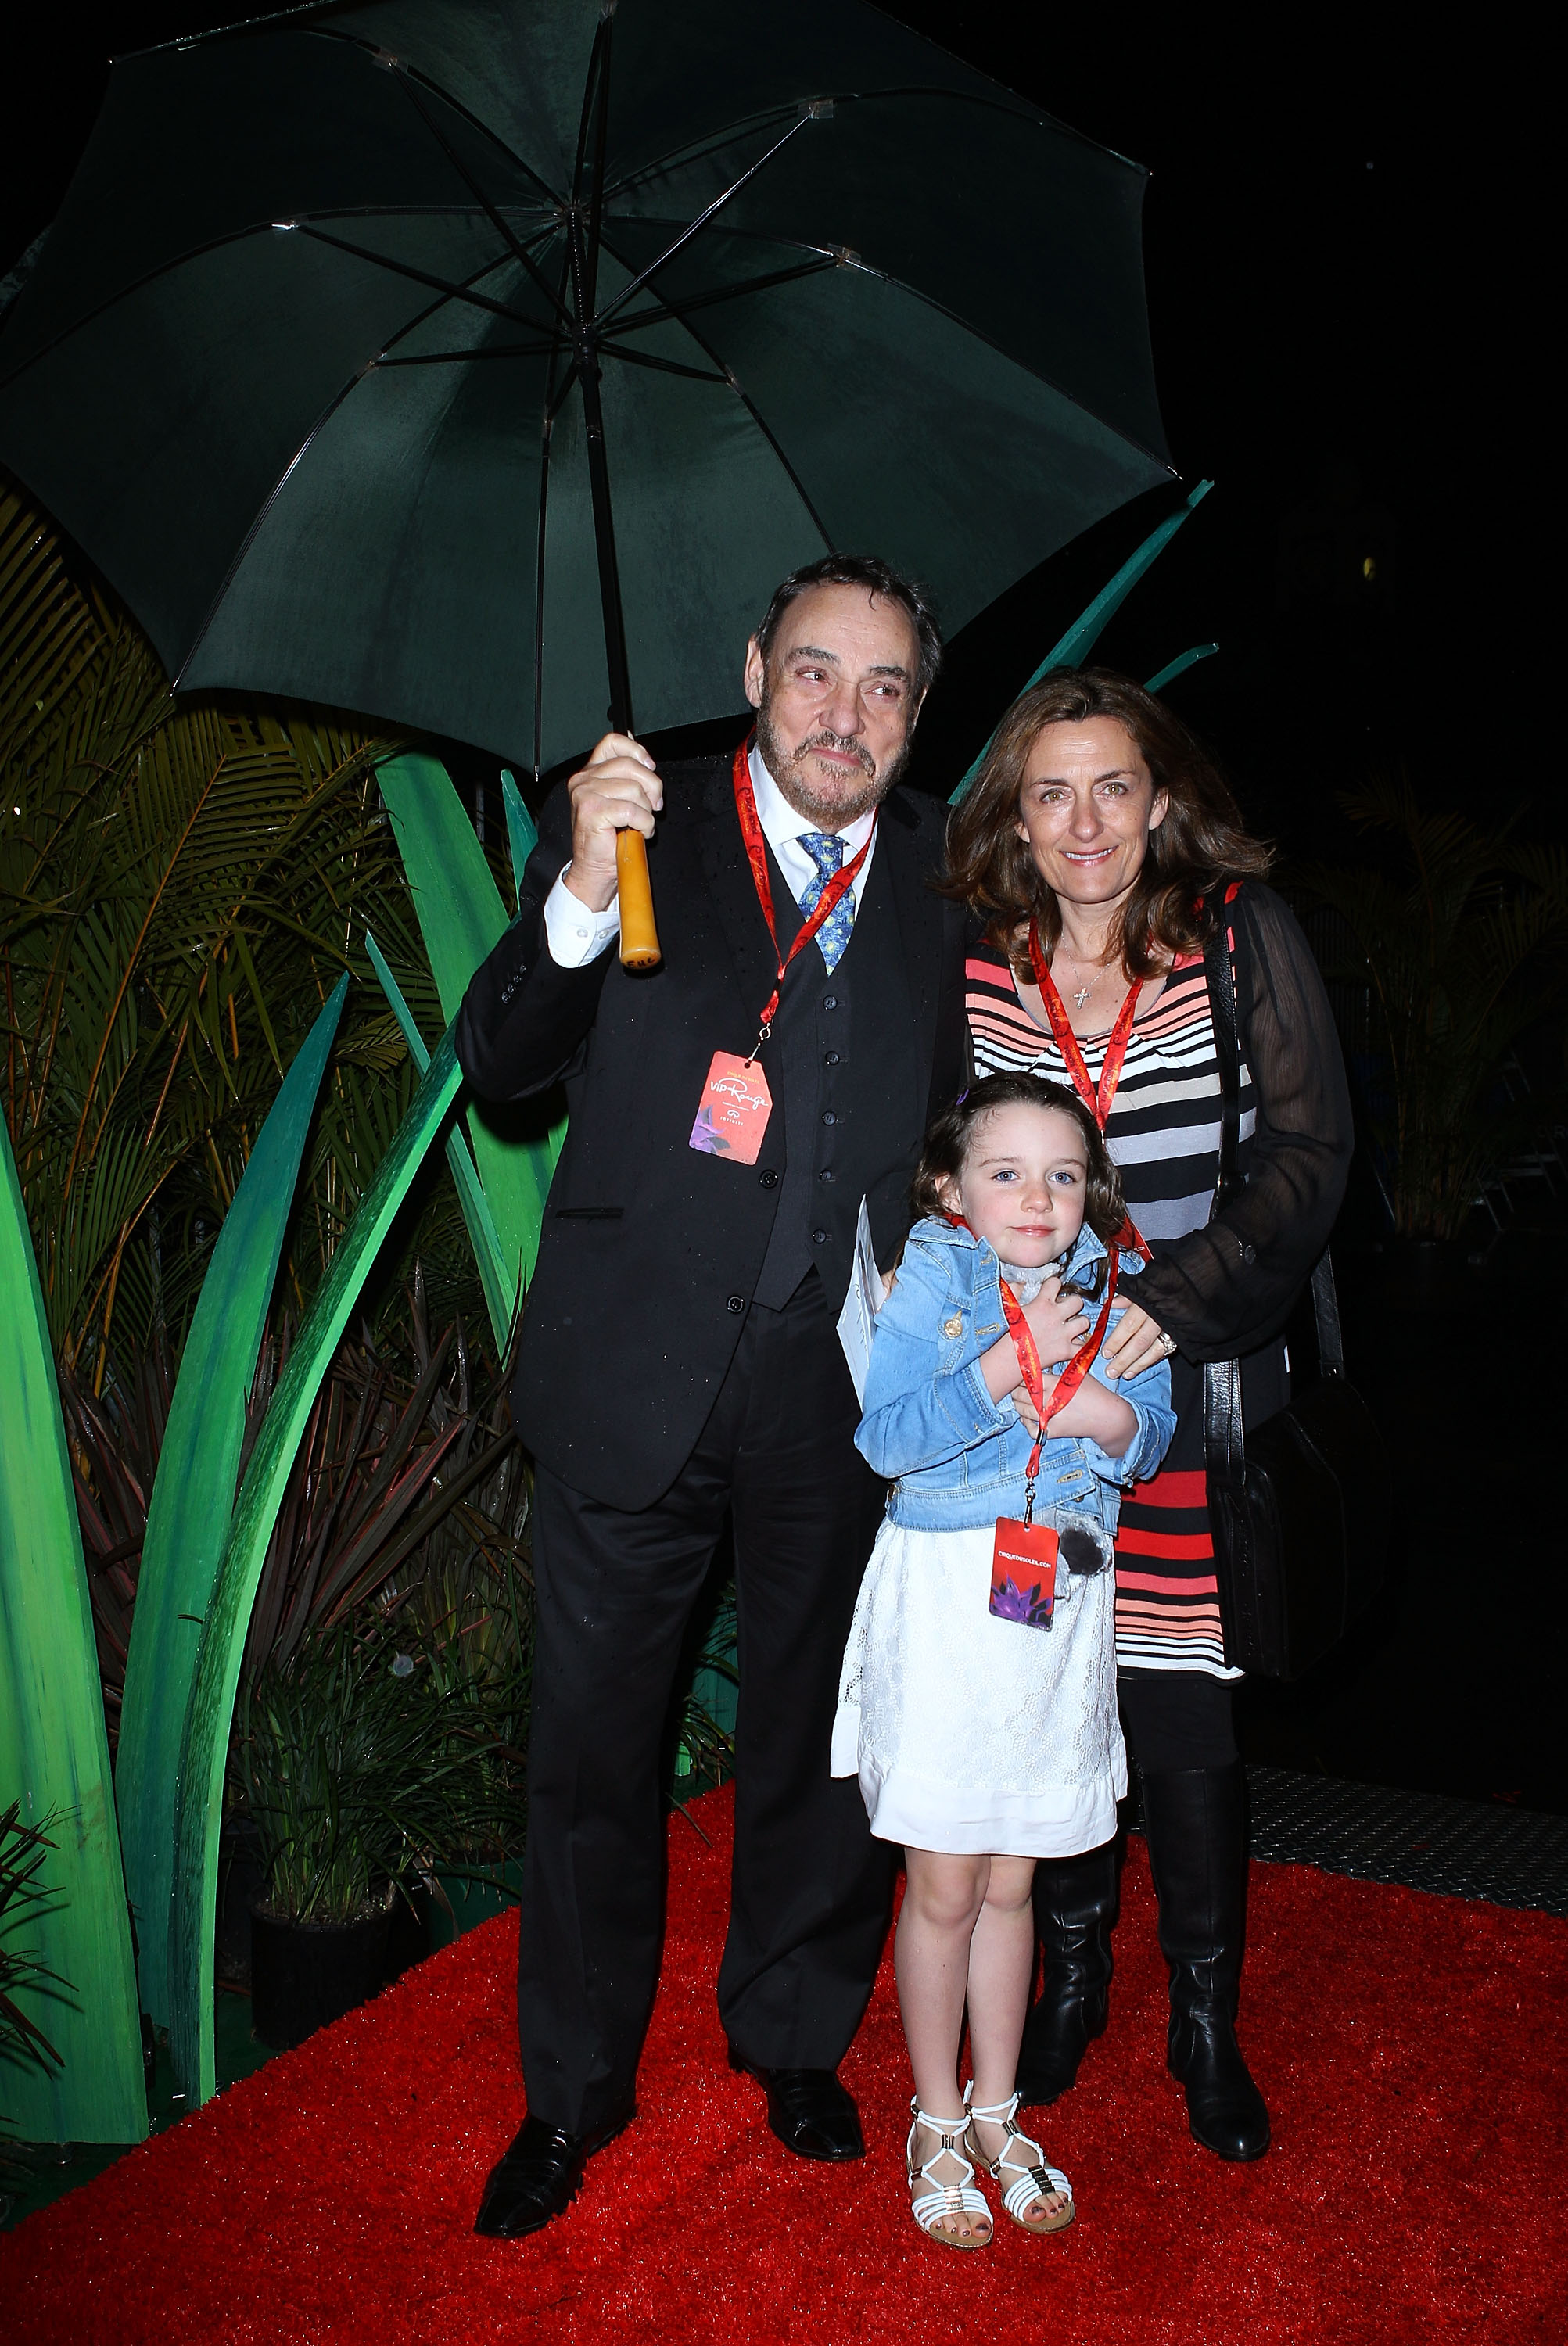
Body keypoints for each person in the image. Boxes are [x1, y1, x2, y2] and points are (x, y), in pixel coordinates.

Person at [454, 554, 970, 2238]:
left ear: (915, 711)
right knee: (594, 1756)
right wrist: (581, 902)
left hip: (842, 1384)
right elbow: (503, 1062)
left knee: (818, 1736)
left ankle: (795, 2036)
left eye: (884, 687)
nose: (846, 713)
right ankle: (574, 2095)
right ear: (754, 665)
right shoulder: (629, 814)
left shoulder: (942, 876)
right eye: (816, 672)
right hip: (634, 1372)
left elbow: (966, 1116)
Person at [948, 667, 1352, 2162]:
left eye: (1111, 786)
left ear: (1161, 795)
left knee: (1179, 1717)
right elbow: (942, 1166)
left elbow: (1311, 1155)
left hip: (1177, 1403)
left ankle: (1203, 2026)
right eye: (1049, 793)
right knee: (1047, 1707)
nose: (1084, 823)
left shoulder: (1236, 944)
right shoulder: (986, 966)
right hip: (1022, 1425)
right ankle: (1066, 1989)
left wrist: (1164, 1303)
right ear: (1017, 816)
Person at [833, 1074, 1175, 2248]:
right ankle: (932, 2120)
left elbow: (1151, 1426)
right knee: (943, 1883)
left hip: (1056, 1601)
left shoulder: (1113, 1284)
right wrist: (1007, 1365)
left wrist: (1107, 1420)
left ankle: (995, 2109)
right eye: (1006, 1172)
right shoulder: (931, 1273)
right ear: (951, 1185)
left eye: (1064, 1175)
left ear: (1094, 1194)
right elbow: (885, 1434)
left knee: (1016, 1881)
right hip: (942, 1599)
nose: (1037, 1197)